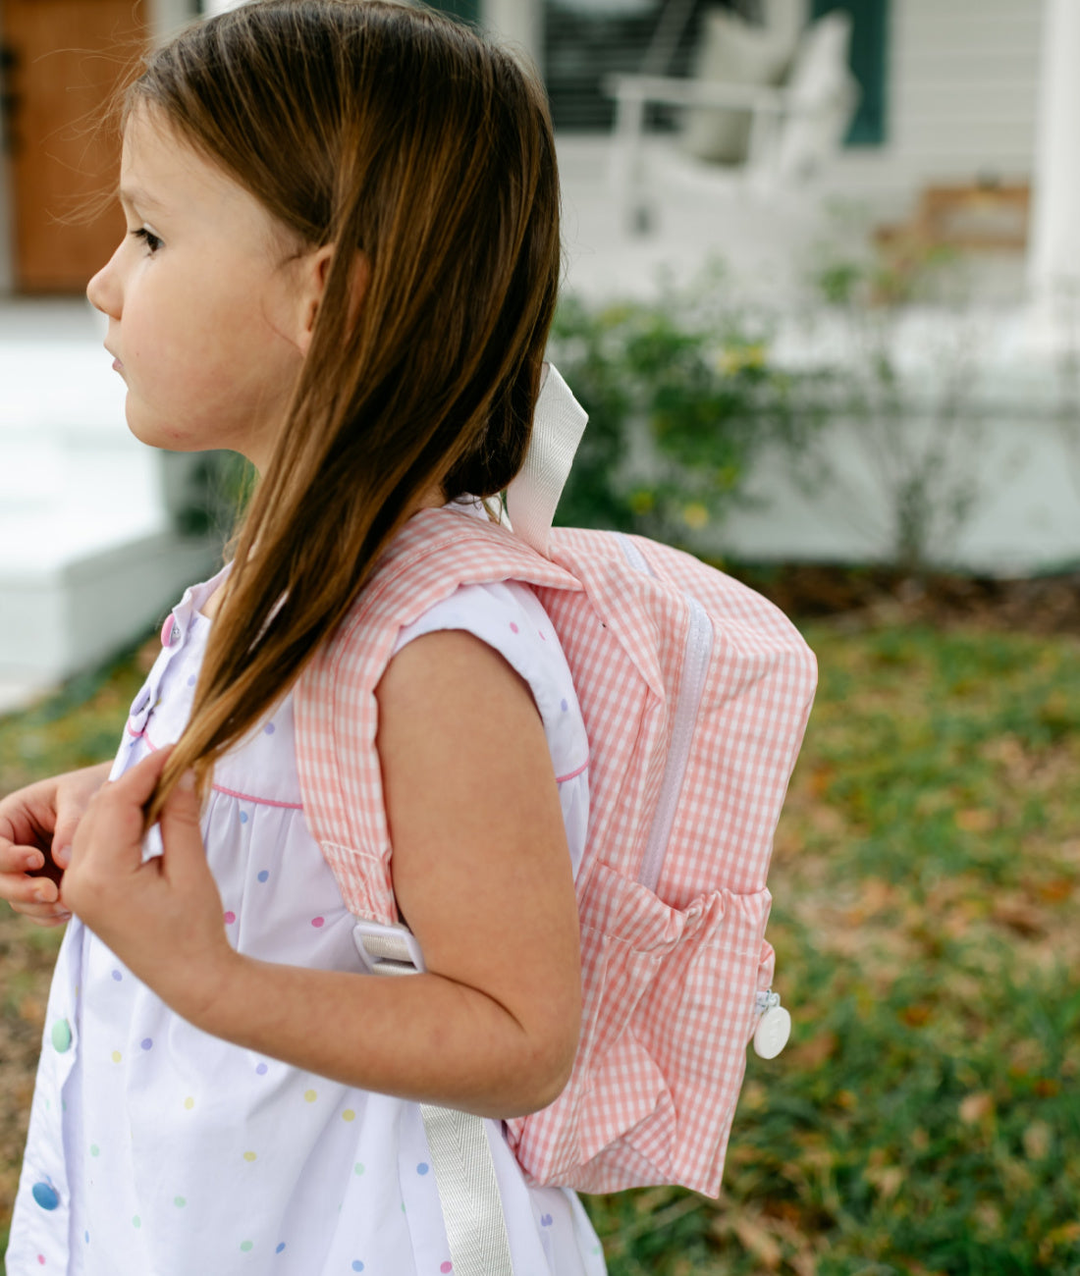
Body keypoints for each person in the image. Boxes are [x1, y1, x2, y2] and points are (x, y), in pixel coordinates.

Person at [0, 3, 607, 1271]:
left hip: (348, 1231)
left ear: (328, 293)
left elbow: (519, 1034)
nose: (104, 281)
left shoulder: (435, 648)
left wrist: (205, 976)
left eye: (150, 233)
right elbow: (316, 832)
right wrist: (138, 807)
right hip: (208, 1211)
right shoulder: (271, 580)